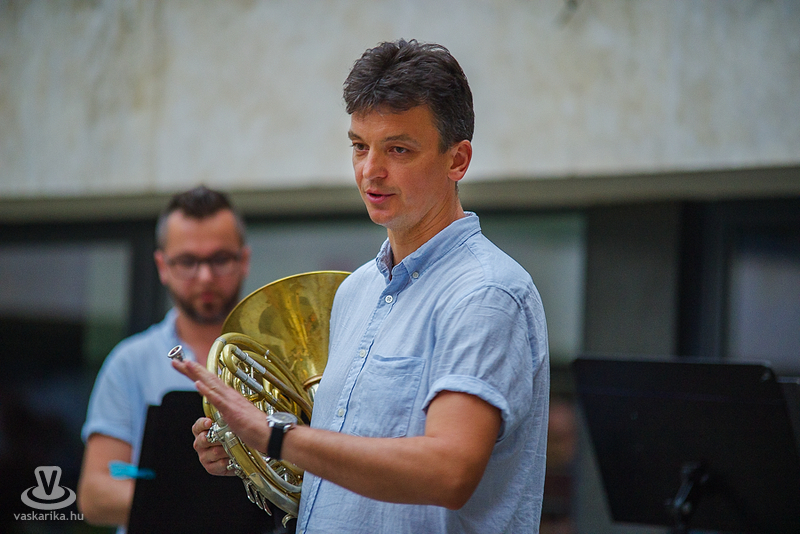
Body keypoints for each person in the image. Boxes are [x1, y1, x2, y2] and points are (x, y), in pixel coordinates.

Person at [174, 39, 550, 533]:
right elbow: (342, 475)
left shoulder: (487, 293)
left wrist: (278, 437)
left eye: (398, 149)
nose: (370, 170)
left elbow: (448, 472)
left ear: (458, 160)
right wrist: (249, 452)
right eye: (359, 146)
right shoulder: (355, 291)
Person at [77, 186, 251, 531]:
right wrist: (203, 502)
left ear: (243, 261)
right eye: (187, 261)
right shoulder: (129, 362)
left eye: (220, 259)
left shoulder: (277, 355)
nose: (205, 276)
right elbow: (95, 494)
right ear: (162, 266)